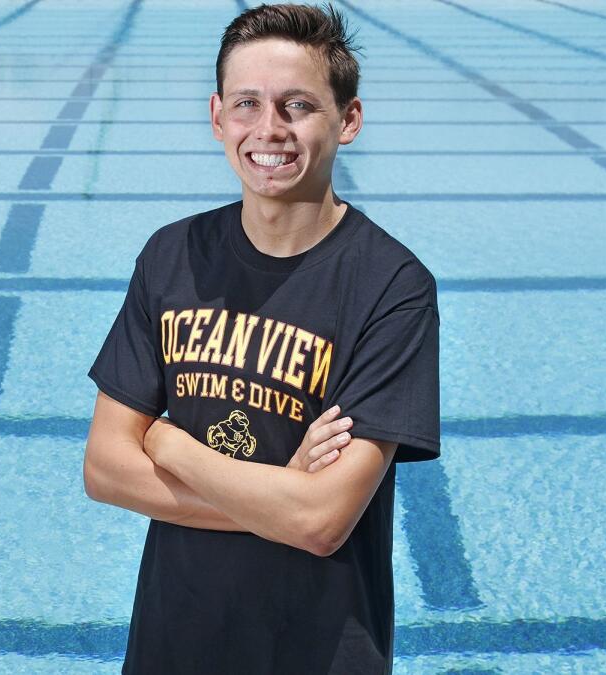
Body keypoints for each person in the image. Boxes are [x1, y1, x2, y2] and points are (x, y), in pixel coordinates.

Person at [82, 3, 440, 673]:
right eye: (247, 103)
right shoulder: (172, 256)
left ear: (348, 120)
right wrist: (280, 493)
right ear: (217, 117)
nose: (268, 129)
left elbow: (321, 521)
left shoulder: (392, 288)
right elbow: (104, 469)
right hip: (171, 647)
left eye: (297, 105)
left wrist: (166, 441)